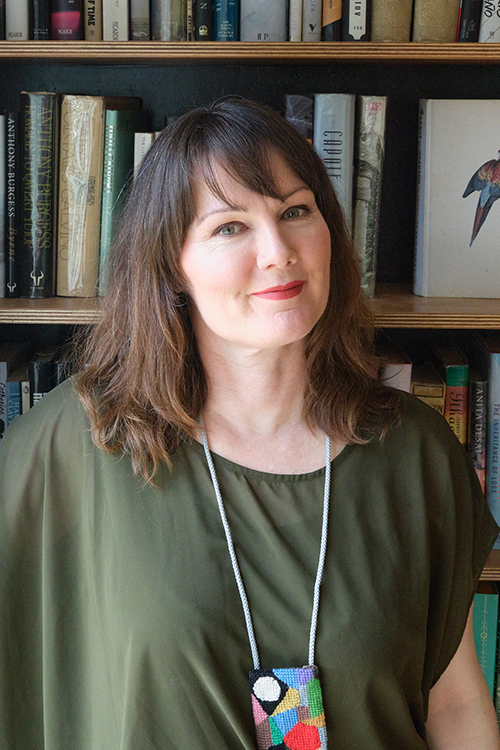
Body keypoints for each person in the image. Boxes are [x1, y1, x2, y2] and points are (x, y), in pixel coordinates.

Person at [0, 97, 499, 750]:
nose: (278, 251)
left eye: (295, 211)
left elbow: (457, 707)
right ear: (170, 263)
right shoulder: (76, 443)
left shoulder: (418, 454)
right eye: (230, 226)